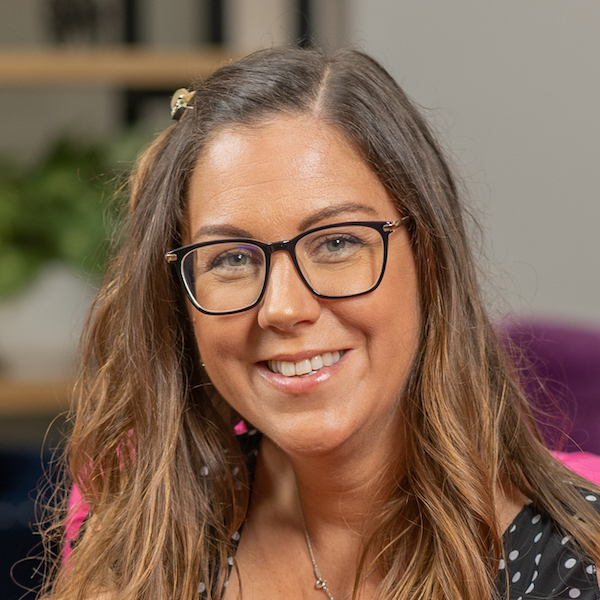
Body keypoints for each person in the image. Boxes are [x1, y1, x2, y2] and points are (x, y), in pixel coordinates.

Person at [40, 46, 600, 600]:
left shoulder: (573, 567)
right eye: (231, 258)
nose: (283, 308)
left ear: (430, 260)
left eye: (337, 242)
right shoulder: (135, 533)